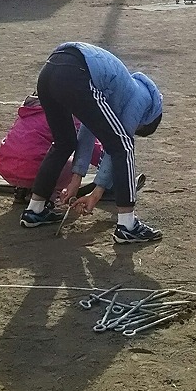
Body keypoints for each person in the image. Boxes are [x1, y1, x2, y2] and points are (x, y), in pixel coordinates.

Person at [20, 42, 163, 245]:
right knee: (124, 145)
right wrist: (97, 194)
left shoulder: (121, 90)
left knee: (64, 141)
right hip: (76, 72)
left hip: (50, 70)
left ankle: (35, 210)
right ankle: (128, 226)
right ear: (147, 120)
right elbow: (118, 146)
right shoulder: (141, 100)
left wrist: (76, 181)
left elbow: (87, 130)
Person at [0, 96, 102, 202]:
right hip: (33, 170)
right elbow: (90, 148)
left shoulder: (28, 111)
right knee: (73, 163)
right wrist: (107, 165)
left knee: (38, 152)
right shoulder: (67, 114)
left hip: (5, 166)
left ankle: (23, 189)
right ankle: (47, 198)